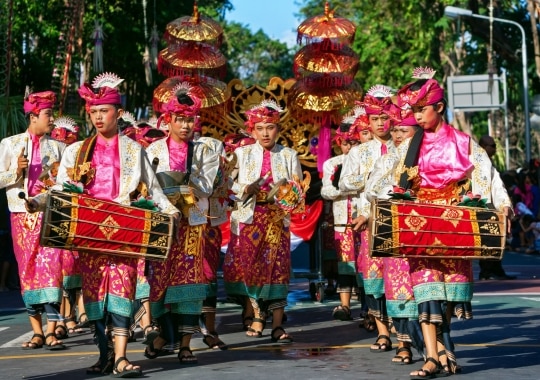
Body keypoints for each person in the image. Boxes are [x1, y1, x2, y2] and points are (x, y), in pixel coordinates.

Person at [30, 73, 180, 377]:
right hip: (89, 232)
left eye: (105, 111)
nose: (99, 117)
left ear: (118, 112)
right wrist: (39, 201)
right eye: (94, 112)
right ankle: (105, 354)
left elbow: (152, 188)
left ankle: (122, 357)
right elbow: (61, 190)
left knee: (123, 292)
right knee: (96, 296)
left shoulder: (133, 150)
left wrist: (170, 210)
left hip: (125, 230)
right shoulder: (76, 151)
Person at [366, 67, 512, 378]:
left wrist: (501, 204)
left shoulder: (462, 142)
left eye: (422, 110)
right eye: (414, 111)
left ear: (440, 108)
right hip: (420, 224)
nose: (417, 117)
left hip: (455, 223)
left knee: (449, 294)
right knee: (427, 289)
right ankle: (432, 357)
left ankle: (445, 349)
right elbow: (379, 182)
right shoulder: (407, 147)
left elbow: (486, 174)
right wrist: (386, 200)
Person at [144, 83, 219, 364]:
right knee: (158, 283)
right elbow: (146, 185)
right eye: (180, 119)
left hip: (193, 224)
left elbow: (207, 186)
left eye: (190, 120)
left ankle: (185, 344)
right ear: (168, 121)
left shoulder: (204, 151)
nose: (186, 125)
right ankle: (164, 336)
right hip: (163, 224)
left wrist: (182, 185)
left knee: (189, 281)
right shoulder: (152, 149)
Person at [223, 99, 304, 343]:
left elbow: (298, 188)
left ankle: (277, 325)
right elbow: (225, 184)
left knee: (278, 270)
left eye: (270, 127)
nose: (265, 132)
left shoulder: (289, 155)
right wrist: (246, 188)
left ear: (278, 129)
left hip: (277, 219)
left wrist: (288, 196)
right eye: (260, 128)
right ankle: (257, 316)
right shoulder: (241, 154)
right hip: (249, 218)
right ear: (252, 130)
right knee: (252, 269)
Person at [0, 90, 67, 351]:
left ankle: (52, 330)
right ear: (33, 116)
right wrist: (15, 171)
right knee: (27, 271)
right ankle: (37, 331)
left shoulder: (59, 148)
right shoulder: (9, 144)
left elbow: (66, 185)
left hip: (50, 216)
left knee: (52, 268)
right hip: (20, 215)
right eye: (48, 114)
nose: (52, 119)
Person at [339, 85, 395, 353]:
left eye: (385, 118)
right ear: (368, 122)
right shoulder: (359, 152)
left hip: (399, 219)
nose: (381, 123)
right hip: (368, 220)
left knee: (399, 275)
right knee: (373, 276)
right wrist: (372, 176)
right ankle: (382, 331)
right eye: (375, 119)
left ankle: (400, 326)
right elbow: (345, 182)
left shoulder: (405, 146)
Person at [365, 105, 423, 365]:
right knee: (398, 288)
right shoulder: (388, 159)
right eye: (396, 130)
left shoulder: (429, 156)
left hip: (425, 233)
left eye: (404, 130)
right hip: (396, 232)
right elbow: (371, 189)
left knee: (426, 289)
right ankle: (403, 344)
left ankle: (435, 347)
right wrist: (397, 192)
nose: (398, 135)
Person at [321, 107, 364, 321]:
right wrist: (345, 188)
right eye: (346, 143)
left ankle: (368, 308)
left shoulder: (366, 161)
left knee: (365, 263)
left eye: (354, 143)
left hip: (363, 218)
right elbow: (326, 191)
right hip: (341, 220)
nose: (350, 148)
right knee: (345, 263)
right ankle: (345, 305)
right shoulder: (332, 164)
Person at [196, 134, 235, 350]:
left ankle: (209, 330)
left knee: (209, 278)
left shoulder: (220, 171)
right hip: (184, 226)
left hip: (209, 230)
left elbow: (225, 192)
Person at [477, 135, 516, 280]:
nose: (494, 148)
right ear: (483, 146)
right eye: (492, 146)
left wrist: (504, 204)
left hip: (493, 208)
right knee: (488, 241)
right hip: (481, 207)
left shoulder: (489, 163)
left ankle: (496, 270)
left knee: (497, 240)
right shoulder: (475, 162)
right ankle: (487, 272)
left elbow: (497, 185)